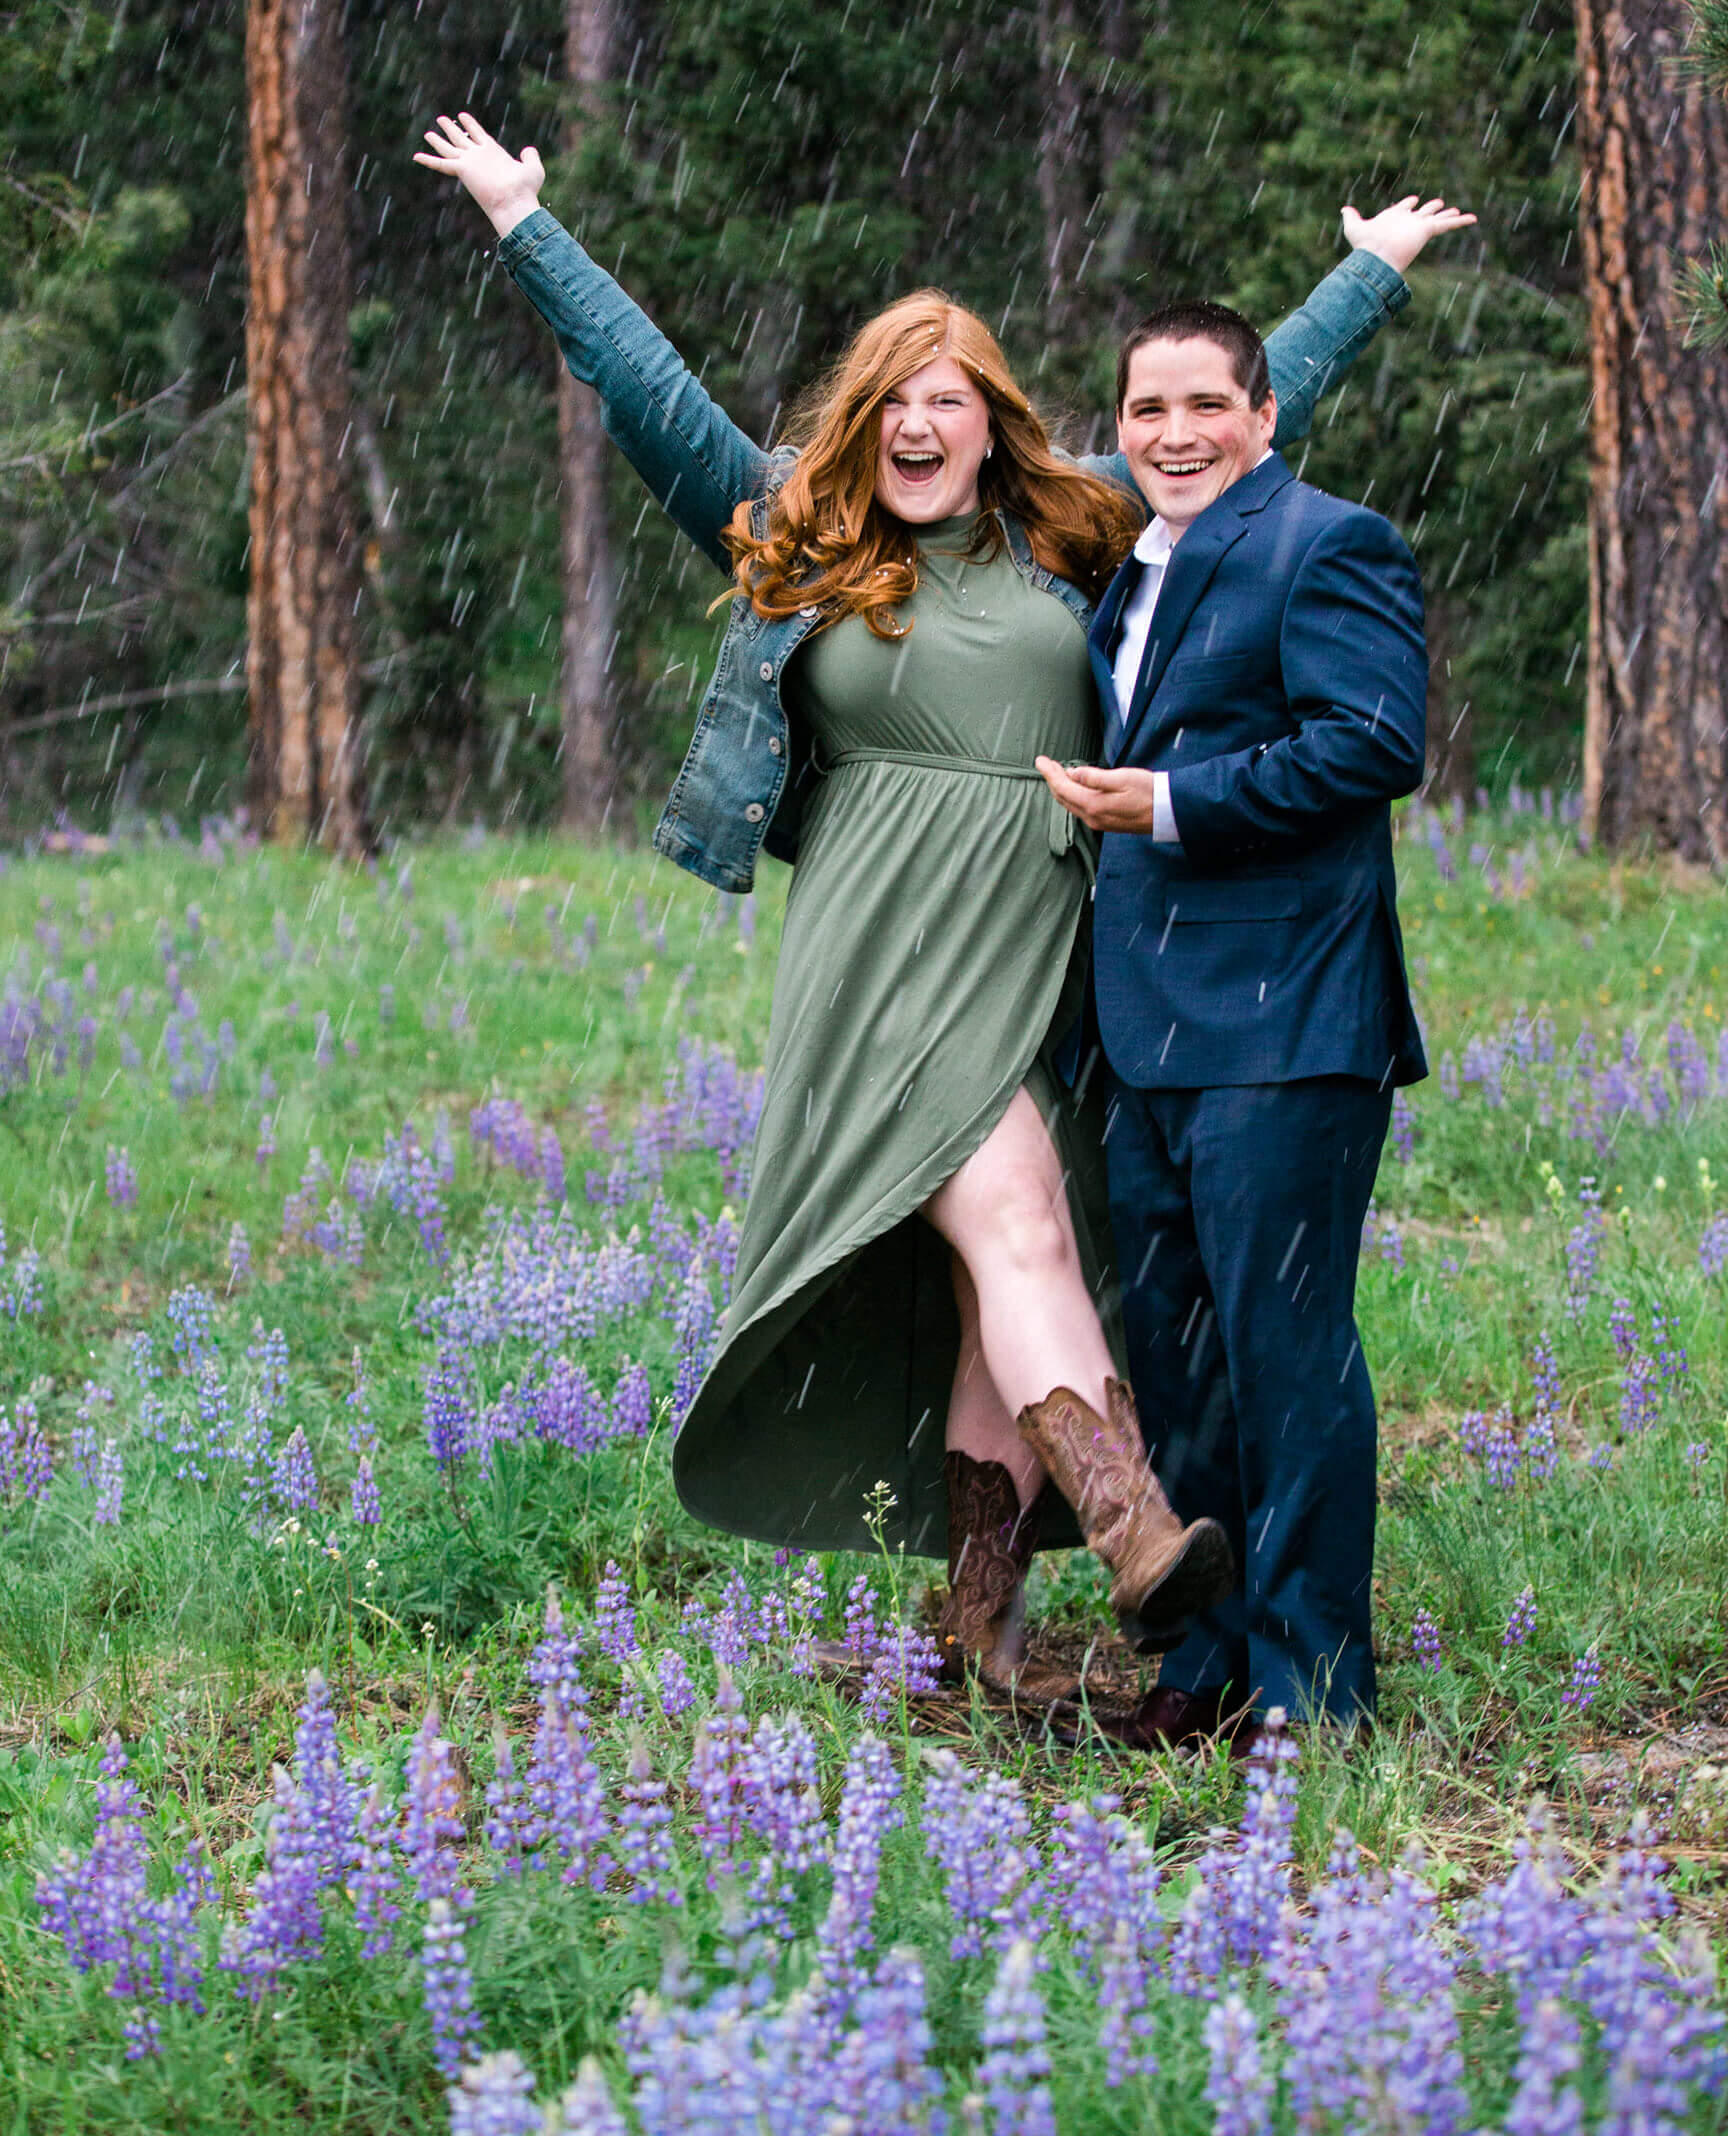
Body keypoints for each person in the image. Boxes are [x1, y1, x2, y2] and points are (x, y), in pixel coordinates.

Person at [416, 110, 1460, 1703]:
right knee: (1026, 1222)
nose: (920, 427)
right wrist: (523, 225)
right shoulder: (796, 531)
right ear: (862, 423)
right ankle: (1138, 1536)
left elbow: (1231, 428)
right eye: (894, 403)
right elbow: (647, 397)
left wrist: (1365, 276)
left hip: (1048, 955)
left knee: (999, 1285)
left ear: (991, 427)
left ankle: (975, 1630)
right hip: (887, 965)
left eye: (949, 403)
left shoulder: (1071, 526)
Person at [1038, 290, 1440, 1740]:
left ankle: (1312, 1693)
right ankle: (1202, 1673)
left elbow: (1372, 744)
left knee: (1287, 1360)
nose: (1177, 430)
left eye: (1208, 402)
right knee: (1183, 1366)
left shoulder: (1325, 543)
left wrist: (1175, 802)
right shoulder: (1127, 576)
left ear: (1265, 415)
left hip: (1288, 1025)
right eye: (1148, 407)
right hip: (1147, 1029)